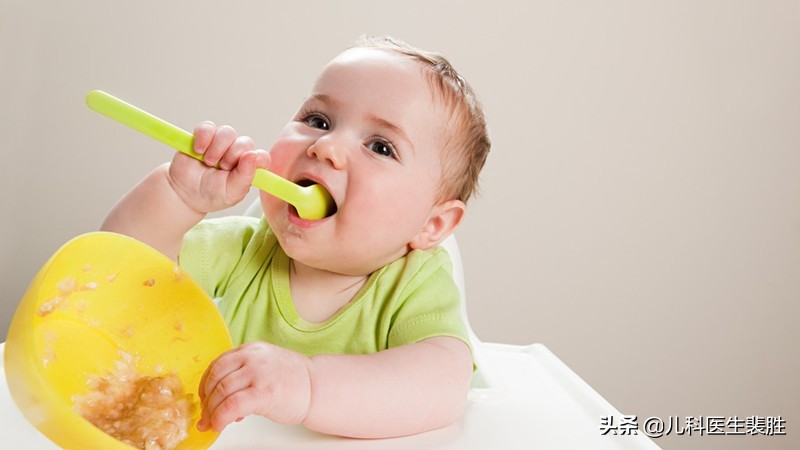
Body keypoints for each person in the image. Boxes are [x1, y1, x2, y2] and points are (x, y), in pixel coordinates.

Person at [101, 36, 490, 439]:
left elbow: (443, 385)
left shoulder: (414, 285)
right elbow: (119, 272)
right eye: (319, 121)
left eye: (380, 146)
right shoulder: (246, 249)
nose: (327, 146)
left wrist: (307, 386)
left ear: (433, 225)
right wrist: (178, 196)